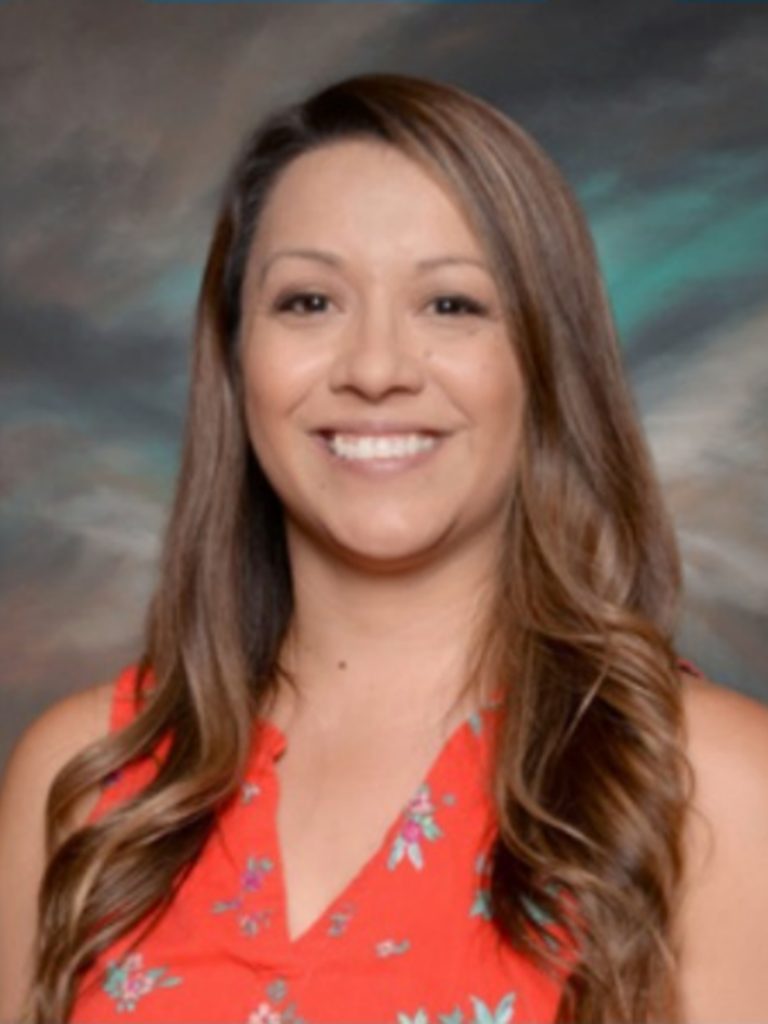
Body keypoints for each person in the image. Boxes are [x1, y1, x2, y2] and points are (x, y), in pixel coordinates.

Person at [1, 71, 767, 1024]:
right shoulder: (85, 781)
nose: (374, 370)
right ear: (236, 358)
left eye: (450, 305)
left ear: (545, 358)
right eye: (309, 302)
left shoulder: (711, 790)